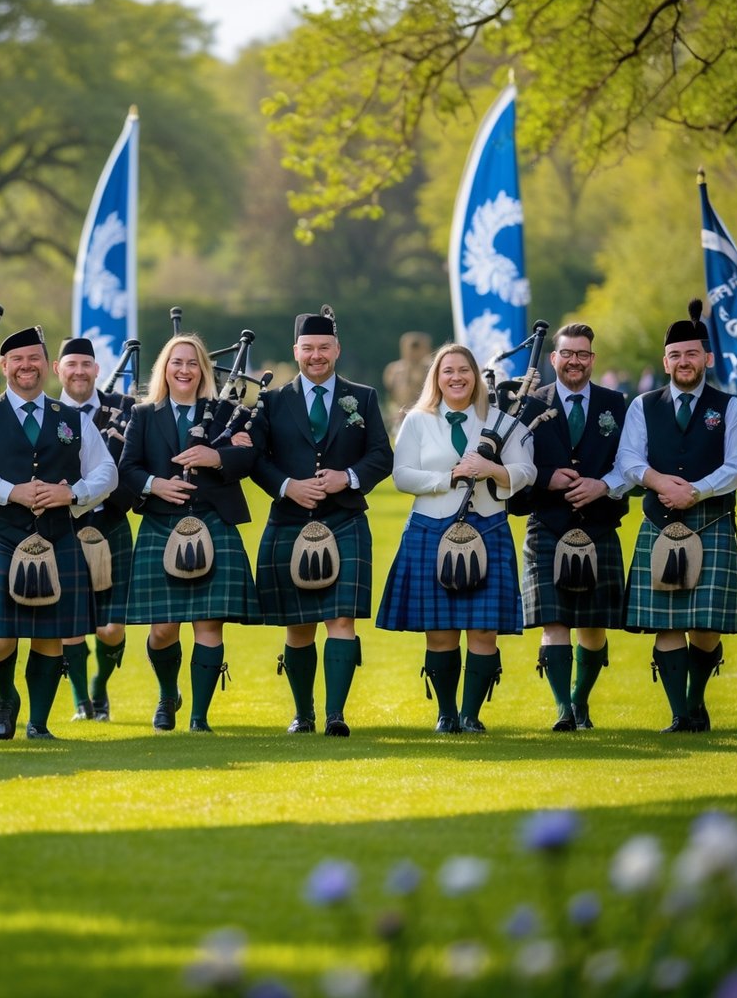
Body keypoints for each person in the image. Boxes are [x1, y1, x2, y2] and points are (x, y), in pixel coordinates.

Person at [0, 326, 118, 740]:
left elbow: (106, 472)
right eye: (17, 359)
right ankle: (6, 696)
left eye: (34, 358)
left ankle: (38, 724)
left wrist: (72, 493)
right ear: (3, 366)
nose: (27, 366)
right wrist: (12, 492)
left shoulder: (72, 419)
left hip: (57, 533)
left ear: (46, 364)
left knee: (50, 635)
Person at [376, 344, 535, 734]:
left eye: (464, 370)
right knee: (441, 629)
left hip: (489, 527)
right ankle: (446, 714)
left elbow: (526, 471)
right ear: (437, 378)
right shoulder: (417, 421)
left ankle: (471, 715)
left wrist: (492, 470)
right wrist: (448, 479)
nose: (456, 377)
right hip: (430, 528)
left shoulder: (500, 421)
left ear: (475, 377)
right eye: (448, 371)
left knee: (483, 629)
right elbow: (402, 476)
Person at [250, 309, 393, 737]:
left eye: (324, 348)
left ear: (337, 350)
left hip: (343, 517)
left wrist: (345, 478)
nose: (316, 356)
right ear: (295, 351)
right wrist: (287, 486)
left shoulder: (362, 397)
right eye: (308, 348)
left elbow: (381, 456)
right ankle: (302, 714)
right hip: (290, 518)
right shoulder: (272, 401)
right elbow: (255, 459)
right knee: (298, 625)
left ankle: (335, 715)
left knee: (341, 620)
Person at [617, 303, 737, 732]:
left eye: (692, 354)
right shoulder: (644, 405)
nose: (684, 362)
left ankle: (696, 703)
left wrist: (696, 490)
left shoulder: (728, 406)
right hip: (660, 524)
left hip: (711, 520)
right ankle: (681, 715)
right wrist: (662, 484)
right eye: (676, 355)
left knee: (706, 624)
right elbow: (628, 459)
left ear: (707, 358)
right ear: (665, 361)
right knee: (667, 622)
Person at [119, 333, 260, 733]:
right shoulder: (145, 414)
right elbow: (127, 467)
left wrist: (216, 456)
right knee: (163, 628)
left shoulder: (224, 412)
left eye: (192, 363)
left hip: (214, 519)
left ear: (203, 369)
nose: (184, 370)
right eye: (177, 362)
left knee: (208, 623)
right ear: (165, 368)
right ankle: (167, 695)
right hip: (162, 521)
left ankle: (200, 716)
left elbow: (249, 456)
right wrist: (154, 485)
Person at [510, 324, 629, 731]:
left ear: (592, 359)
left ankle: (580, 701)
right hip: (547, 523)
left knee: (593, 628)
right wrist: (546, 478)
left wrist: (602, 486)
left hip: (598, 525)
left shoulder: (617, 404)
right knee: (555, 622)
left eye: (583, 354)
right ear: (554, 358)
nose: (575, 360)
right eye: (567, 353)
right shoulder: (529, 406)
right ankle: (563, 710)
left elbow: (630, 461)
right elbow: (515, 462)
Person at [52, 337, 136, 721]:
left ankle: (100, 685)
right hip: (62, 523)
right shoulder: (47, 413)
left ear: (97, 369)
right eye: (72, 365)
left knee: (110, 629)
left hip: (110, 522)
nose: (80, 372)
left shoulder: (126, 410)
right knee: (70, 620)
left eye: (86, 365)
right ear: (58, 369)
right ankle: (82, 702)